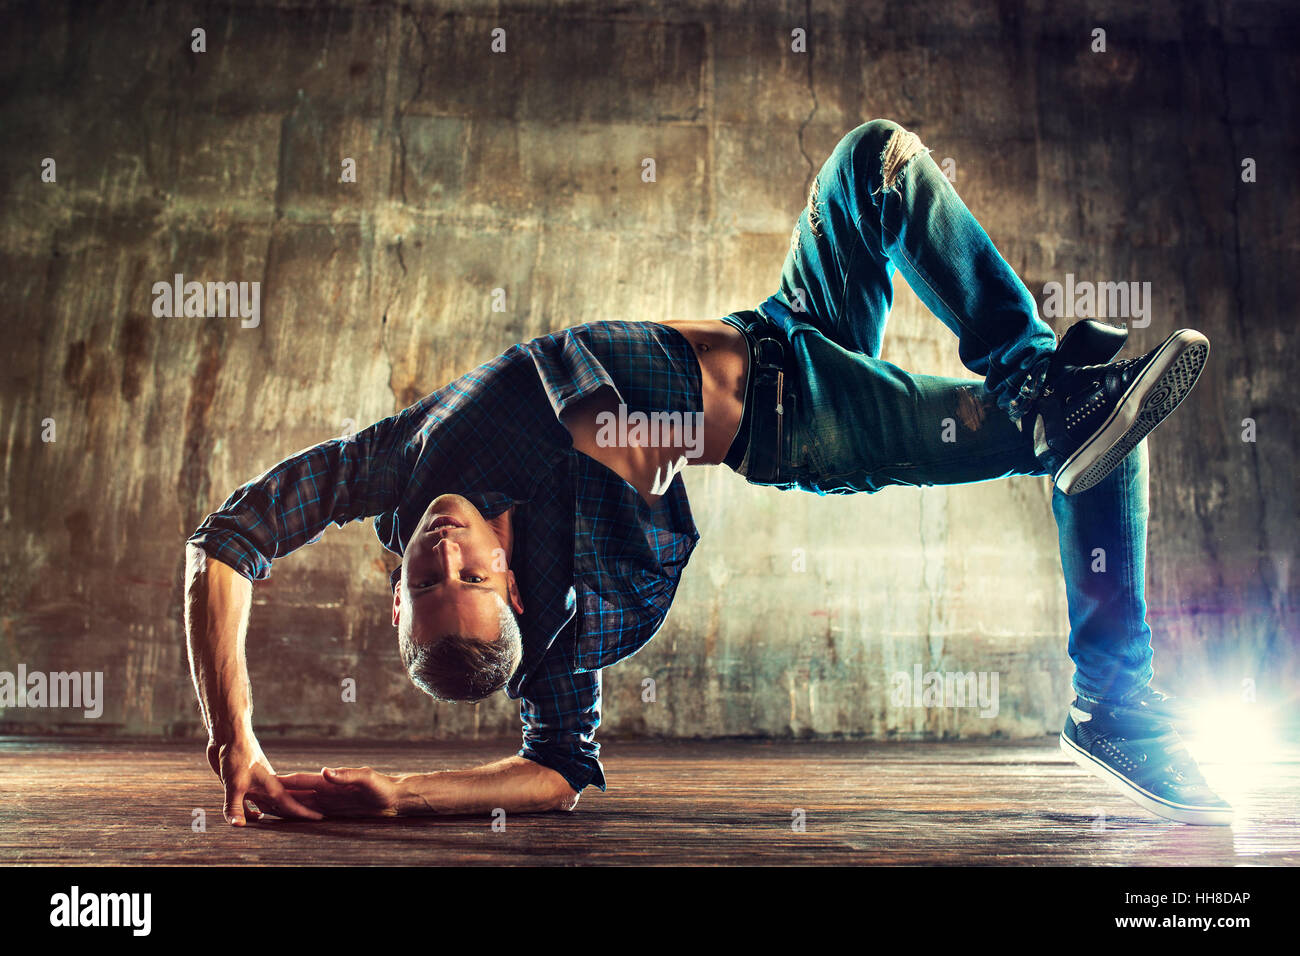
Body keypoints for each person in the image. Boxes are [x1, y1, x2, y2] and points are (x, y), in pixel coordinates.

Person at [184, 119, 1226, 828]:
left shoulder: (390, 463)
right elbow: (558, 769)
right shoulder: (554, 609)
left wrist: (235, 740)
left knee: (878, 163)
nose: (441, 558)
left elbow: (225, 546)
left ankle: (1044, 382)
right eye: (465, 580)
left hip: (780, 327)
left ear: (394, 587)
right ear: (508, 575)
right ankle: (1115, 700)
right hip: (802, 418)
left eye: (424, 583)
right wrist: (400, 795)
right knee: (1091, 398)